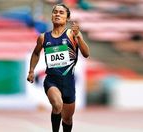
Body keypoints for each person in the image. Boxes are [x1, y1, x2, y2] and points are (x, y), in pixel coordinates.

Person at [27, 3, 89, 132]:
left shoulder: (73, 34)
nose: (57, 14)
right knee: (57, 105)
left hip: (68, 82)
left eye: (61, 12)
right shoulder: (44, 37)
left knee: (67, 119)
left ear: (67, 18)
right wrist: (31, 70)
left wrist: (79, 37)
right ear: (51, 16)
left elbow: (86, 54)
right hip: (51, 80)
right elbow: (36, 53)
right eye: (55, 12)